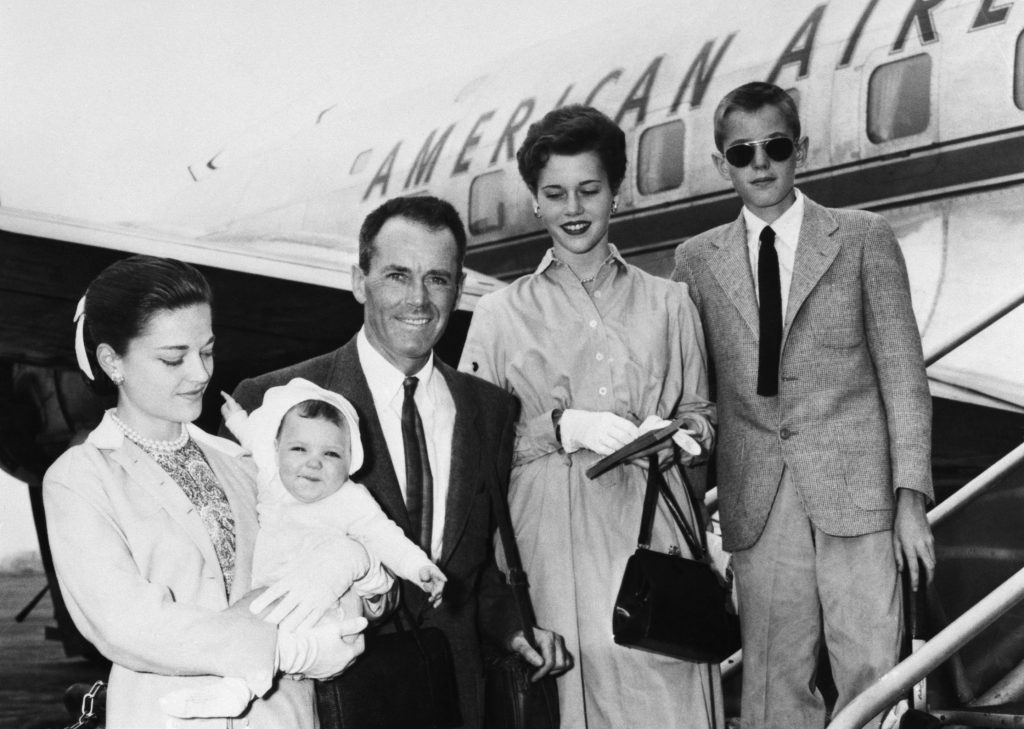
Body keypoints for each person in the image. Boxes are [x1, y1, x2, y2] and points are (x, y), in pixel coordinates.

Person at [229, 195, 571, 729]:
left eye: (437, 278)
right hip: (325, 697)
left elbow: (474, 573)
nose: (418, 299)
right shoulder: (274, 400)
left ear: (459, 289)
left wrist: (515, 628)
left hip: (453, 698)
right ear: (358, 281)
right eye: (396, 275)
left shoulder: (490, 411)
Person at [672, 82, 936, 728]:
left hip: (858, 492)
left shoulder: (863, 239)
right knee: (770, 679)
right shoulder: (696, 262)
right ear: (719, 164)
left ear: (803, 151)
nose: (760, 163)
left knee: (874, 669)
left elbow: (905, 379)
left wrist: (911, 500)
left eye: (776, 146)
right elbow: (693, 388)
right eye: (741, 153)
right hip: (757, 498)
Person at [457, 104, 721, 729]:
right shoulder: (498, 315)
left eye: (589, 190)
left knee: (666, 695)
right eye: (555, 194)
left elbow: (702, 413)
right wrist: (557, 428)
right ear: (535, 204)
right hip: (547, 546)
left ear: (616, 194)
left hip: (651, 538)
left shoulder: (670, 302)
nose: (573, 208)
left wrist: (686, 435)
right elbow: (472, 452)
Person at [43, 255, 377, 729]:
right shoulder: (81, 477)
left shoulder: (245, 460)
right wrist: (284, 646)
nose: (200, 373)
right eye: (174, 358)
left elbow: (319, 549)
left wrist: (355, 586)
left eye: (207, 350)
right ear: (111, 361)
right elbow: (123, 623)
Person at [162, 377, 446, 720]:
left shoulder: (351, 499)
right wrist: (237, 419)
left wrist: (419, 567)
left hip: (331, 602)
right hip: (272, 595)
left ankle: (250, 679)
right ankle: (235, 690)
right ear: (278, 449)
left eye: (331, 454)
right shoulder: (272, 477)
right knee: (254, 628)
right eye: (299, 449)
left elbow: (385, 536)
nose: (314, 462)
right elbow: (256, 440)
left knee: (310, 637)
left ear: (351, 461)